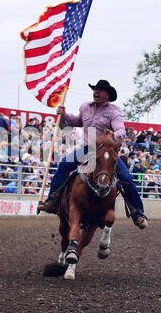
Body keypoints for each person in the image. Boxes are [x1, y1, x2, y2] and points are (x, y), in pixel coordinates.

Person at [37, 79, 148, 229]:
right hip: (88, 148)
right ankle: (53, 200)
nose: (96, 92)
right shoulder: (85, 107)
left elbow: (121, 130)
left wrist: (113, 133)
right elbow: (77, 121)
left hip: (106, 151)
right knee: (64, 164)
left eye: (100, 90)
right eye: (95, 89)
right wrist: (64, 115)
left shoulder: (114, 111)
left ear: (108, 95)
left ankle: (137, 213)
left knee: (126, 177)